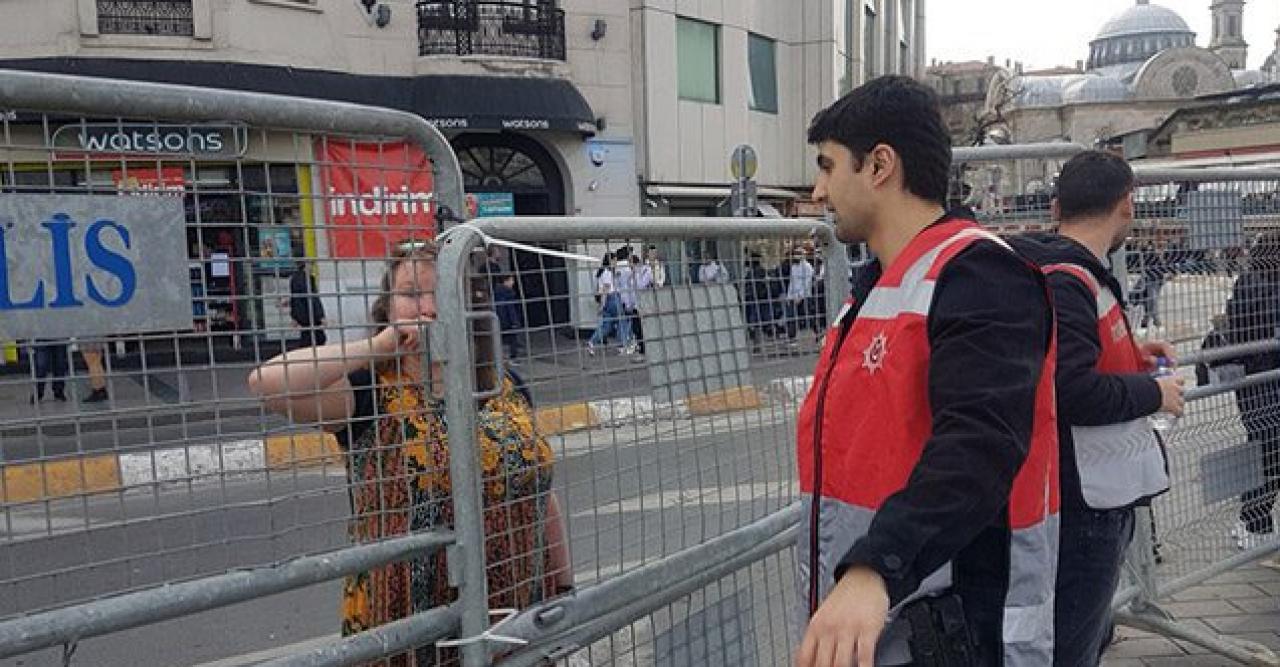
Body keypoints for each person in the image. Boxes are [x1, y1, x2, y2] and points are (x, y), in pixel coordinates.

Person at [796, 75, 1059, 667]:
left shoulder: (980, 275)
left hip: (949, 626)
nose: (817, 191)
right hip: (880, 621)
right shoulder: (874, 288)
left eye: (828, 166)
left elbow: (980, 442)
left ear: (879, 165)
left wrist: (875, 566)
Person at [247, 241, 571, 665]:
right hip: (408, 631)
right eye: (411, 294)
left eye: (443, 293)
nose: (429, 309)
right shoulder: (369, 392)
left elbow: (537, 488)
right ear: (388, 306)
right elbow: (267, 383)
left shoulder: (502, 383)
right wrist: (380, 347)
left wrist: (562, 585)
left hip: (513, 621)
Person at [1010, 151, 1182, 667]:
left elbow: (1071, 362)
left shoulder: (1072, 272)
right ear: (1127, 204)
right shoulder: (1070, 280)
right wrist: (1156, 394)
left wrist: (1134, 357)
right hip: (1082, 501)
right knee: (1072, 647)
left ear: (1059, 205)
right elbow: (1072, 389)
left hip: (1085, 493)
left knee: (1080, 636)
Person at [1222, 230, 1280, 550]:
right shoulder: (1260, 287)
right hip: (1263, 379)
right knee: (1268, 449)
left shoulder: (1250, 284)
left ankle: (1254, 518)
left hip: (1258, 378)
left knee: (1265, 448)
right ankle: (1252, 520)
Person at [587, 252, 632, 356]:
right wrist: (602, 304)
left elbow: (601, 290)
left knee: (606, 326)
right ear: (610, 261)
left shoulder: (603, 273)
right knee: (622, 321)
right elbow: (605, 289)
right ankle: (623, 345)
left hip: (607, 302)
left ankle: (592, 342)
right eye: (614, 261)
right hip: (613, 299)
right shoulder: (607, 273)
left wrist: (602, 305)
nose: (616, 263)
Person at [288, 262, 328, 348]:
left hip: (302, 315)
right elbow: (313, 298)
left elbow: (294, 299)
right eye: (311, 265)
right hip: (310, 315)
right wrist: (320, 316)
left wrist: (294, 316)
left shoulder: (294, 279)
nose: (312, 267)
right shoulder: (308, 279)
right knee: (318, 338)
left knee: (308, 337)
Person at [784, 248, 815, 346]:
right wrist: (789, 297)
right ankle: (792, 338)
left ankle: (818, 332)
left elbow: (807, 283)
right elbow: (792, 282)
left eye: (798, 254)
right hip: (793, 296)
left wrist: (800, 296)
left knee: (808, 316)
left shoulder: (808, 267)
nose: (796, 256)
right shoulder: (793, 267)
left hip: (805, 296)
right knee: (791, 317)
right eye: (795, 254)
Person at [494, 273, 524, 362]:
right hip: (507, 320)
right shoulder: (507, 293)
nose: (513, 282)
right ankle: (513, 357)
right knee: (512, 338)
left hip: (502, 319)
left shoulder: (497, 292)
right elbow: (510, 309)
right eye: (511, 280)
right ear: (505, 281)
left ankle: (502, 357)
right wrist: (514, 321)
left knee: (502, 339)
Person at [28, 340, 69, 404]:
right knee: (42, 365)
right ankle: (38, 392)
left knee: (59, 365)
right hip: (42, 338)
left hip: (58, 337)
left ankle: (58, 391)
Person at [78, 339, 110, 404]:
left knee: (92, 363)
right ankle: (101, 388)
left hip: (87, 337)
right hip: (97, 336)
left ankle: (97, 389)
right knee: (97, 362)